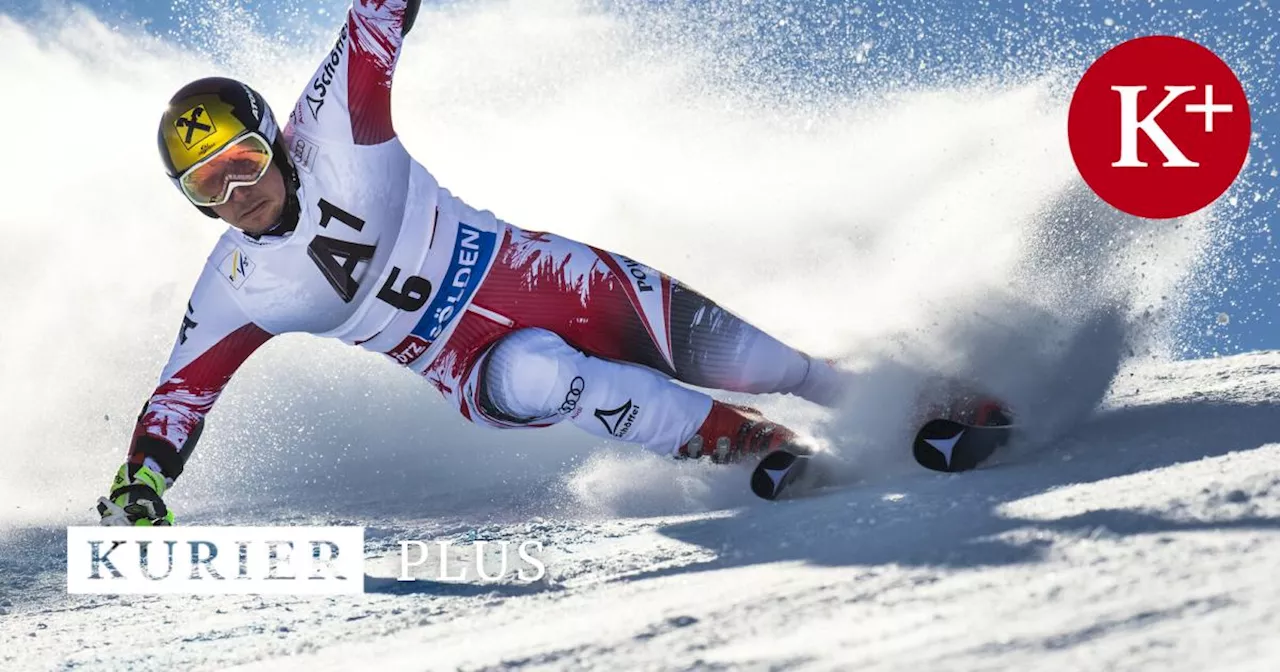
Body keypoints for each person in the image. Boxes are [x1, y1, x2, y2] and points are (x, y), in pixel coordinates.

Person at [96, 0, 870, 526]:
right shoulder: (236, 288)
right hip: (467, 365)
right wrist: (145, 479)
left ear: (277, 140)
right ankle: (743, 442)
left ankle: (885, 396)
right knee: (540, 375)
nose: (237, 194)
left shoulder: (333, 127)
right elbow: (181, 396)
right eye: (207, 185)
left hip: (541, 275)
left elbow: (375, 16)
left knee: (758, 358)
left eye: (245, 161)